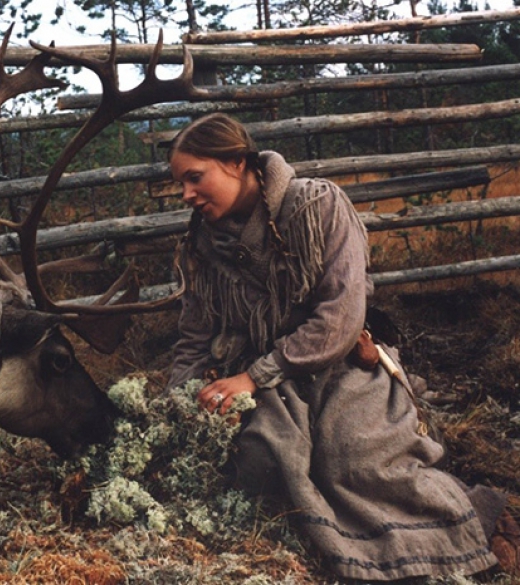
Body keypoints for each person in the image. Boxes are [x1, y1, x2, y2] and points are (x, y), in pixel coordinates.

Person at [166, 113, 520, 581]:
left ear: (236, 162)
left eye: (195, 178)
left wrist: (255, 376)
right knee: (265, 461)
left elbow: (340, 316)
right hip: (258, 378)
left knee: (351, 460)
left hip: (338, 363)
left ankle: (471, 525)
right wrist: (178, 401)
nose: (187, 195)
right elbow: (194, 336)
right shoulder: (200, 244)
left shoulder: (316, 206)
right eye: (181, 185)